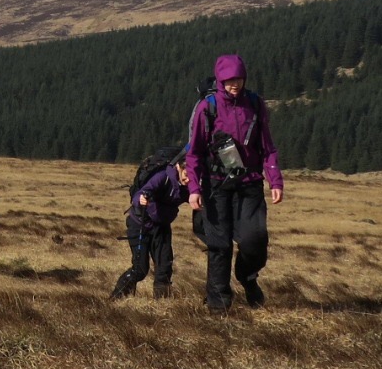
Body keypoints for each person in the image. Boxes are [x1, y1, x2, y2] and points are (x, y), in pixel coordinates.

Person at [186, 54, 282, 312]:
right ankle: (218, 307)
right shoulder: (208, 108)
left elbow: (268, 147)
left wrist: (275, 180)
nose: (234, 84)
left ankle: (247, 277)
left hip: (250, 183)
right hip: (215, 185)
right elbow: (194, 153)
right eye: (229, 80)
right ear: (220, 80)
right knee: (219, 246)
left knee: (255, 239)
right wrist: (194, 188)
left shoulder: (255, 104)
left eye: (238, 79)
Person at [111, 148, 190, 299]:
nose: (188, 180)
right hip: (140, 224)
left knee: (164, 268)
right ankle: (117, 298)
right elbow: (141, 194)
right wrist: (142, 199)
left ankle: (162, 303)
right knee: (140, 269)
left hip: (162, 227)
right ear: (178, 167)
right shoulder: (162, 177)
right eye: (186, 175)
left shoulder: (190, 186)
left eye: (192, 177)